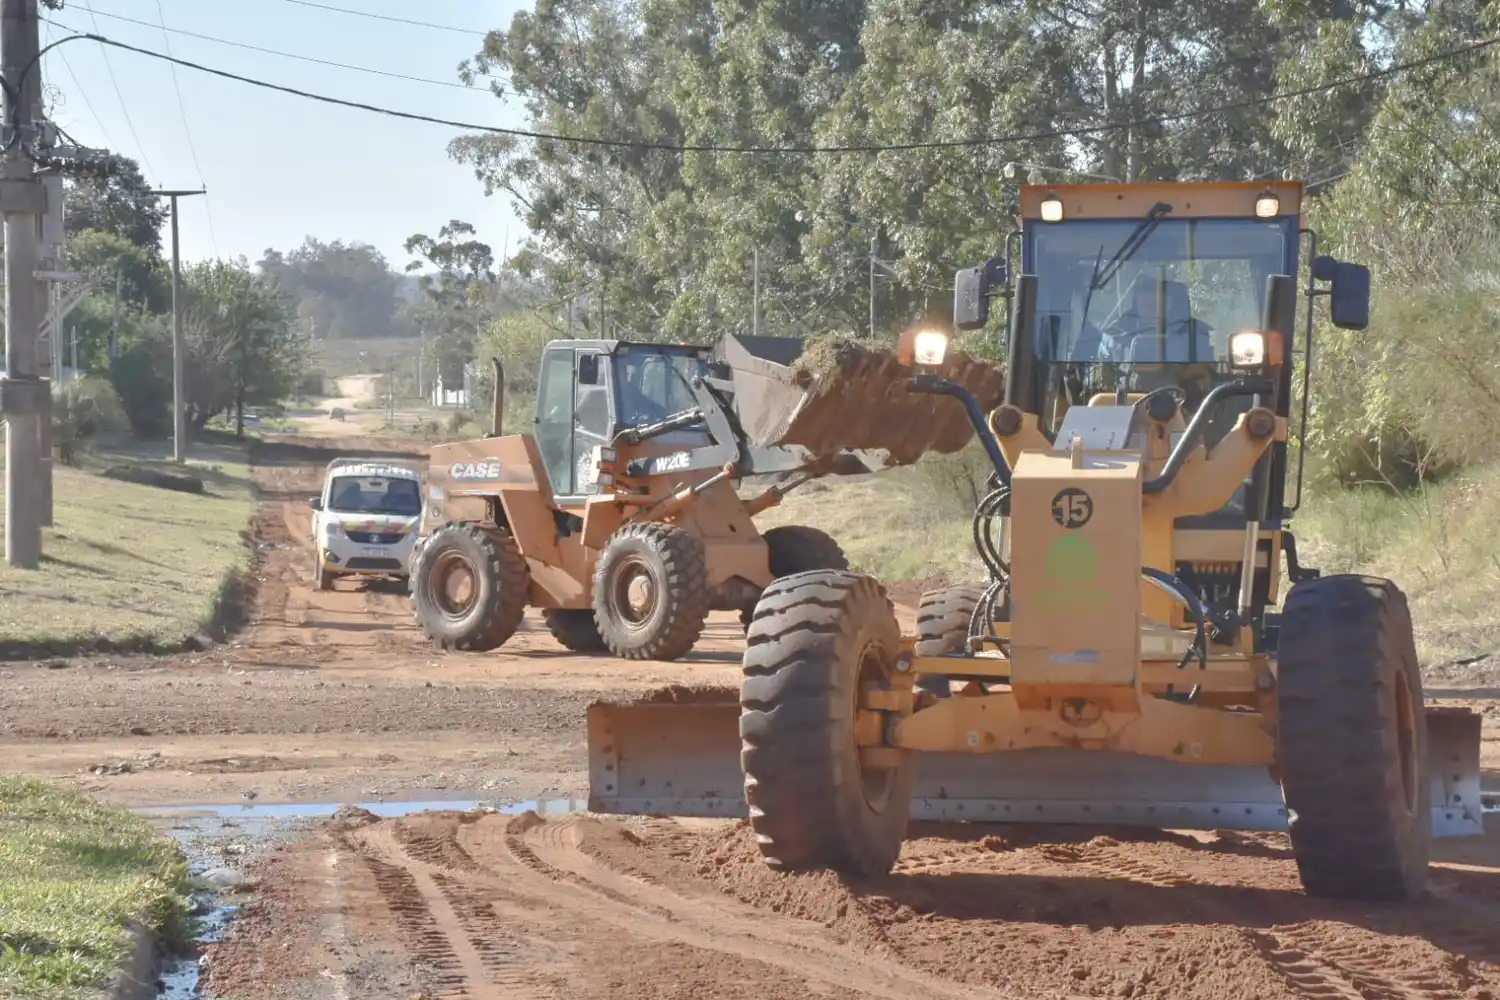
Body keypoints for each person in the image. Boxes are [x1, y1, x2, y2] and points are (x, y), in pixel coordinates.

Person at [1096, 277, 1213, 364]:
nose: (1149, 304)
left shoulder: (1195, 335)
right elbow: (1099, 376)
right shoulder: (1114, 336)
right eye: (1145, 302)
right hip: (1121, 395)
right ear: (1137, 302)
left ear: (1170, 303)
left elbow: (1206, 374)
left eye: (1155, 301)